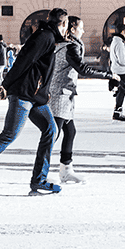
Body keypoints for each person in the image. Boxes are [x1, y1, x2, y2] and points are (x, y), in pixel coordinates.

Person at [0, 8, 68, 197]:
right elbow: (24, 60)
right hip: (23, 94)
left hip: (35, 96)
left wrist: (44, 92)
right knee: (9, 134)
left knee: (51, 129)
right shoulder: (45, 37)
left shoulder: (50, 38)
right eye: (66, 25)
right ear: (62, 24)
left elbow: (41, 68)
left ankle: (39, 181)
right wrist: (6, 85)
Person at [47, 16, 109, 182]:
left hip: (65, 93)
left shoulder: (66, 44)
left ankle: (66, 169)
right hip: (61, 93)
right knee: (53, 133)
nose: (83, 31)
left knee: (70, 131)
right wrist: (107, 75)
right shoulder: (71, 46)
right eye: (81, 27)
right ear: (73, 29)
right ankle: (41, 172)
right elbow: (82, 69)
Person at [106, 25, 125, 121]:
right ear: (123, 31)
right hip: (121, 71)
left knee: (120, 91)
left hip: (115, 69)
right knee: (122, 91)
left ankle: (117, 111)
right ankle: (117, 112)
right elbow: (121, 60)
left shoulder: (114, 41)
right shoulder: (119, 43)